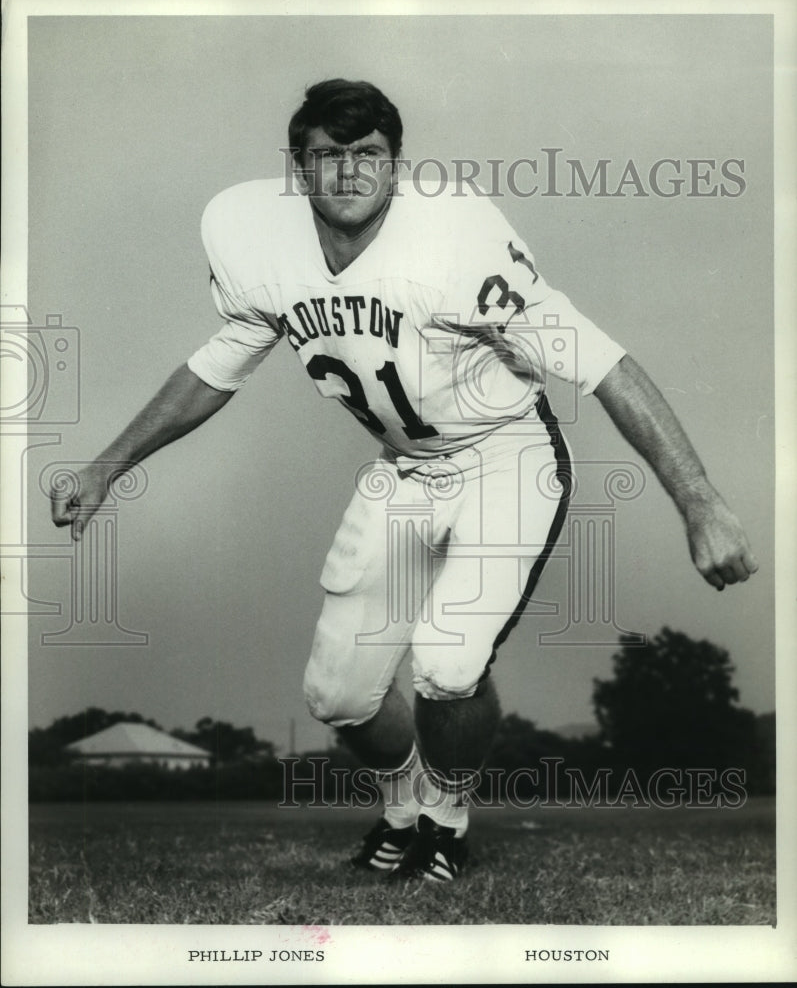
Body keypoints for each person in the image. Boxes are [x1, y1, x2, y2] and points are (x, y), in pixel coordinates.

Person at [51, 79, 758, 883]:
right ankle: (401, 807)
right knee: (338, 696)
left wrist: (698, 501)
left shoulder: (454, 241)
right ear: (296, 168)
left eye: (367, 156)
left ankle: (446, 822)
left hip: (505, 454)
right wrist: (105, 468)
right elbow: (215, 369)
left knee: (447, 663)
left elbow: (603, 365)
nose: (348, 174)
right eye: (327, 156)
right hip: (403, 472)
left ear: (395, 166)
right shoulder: (256, 244)